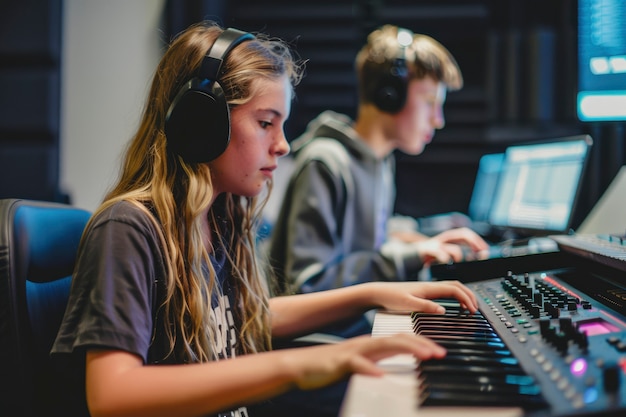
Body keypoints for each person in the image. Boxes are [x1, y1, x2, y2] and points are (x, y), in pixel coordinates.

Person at [50, 21, 479, 417]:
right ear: (201, 122)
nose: (283, 146)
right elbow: (112, 395)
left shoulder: (216, 218)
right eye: (265, 123)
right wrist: (295, 364)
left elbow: (247, 316)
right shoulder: (130, 228)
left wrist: (371, 293)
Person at [268, 25, 490, 309]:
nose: (438, 120)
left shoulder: (380, 161)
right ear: (389, 95)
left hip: (355, 323)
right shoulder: (325, 162)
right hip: (323, 338)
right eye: (430, 102)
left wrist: (423, 243)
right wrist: (410, 255)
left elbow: (372, 244)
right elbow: (309, 285)